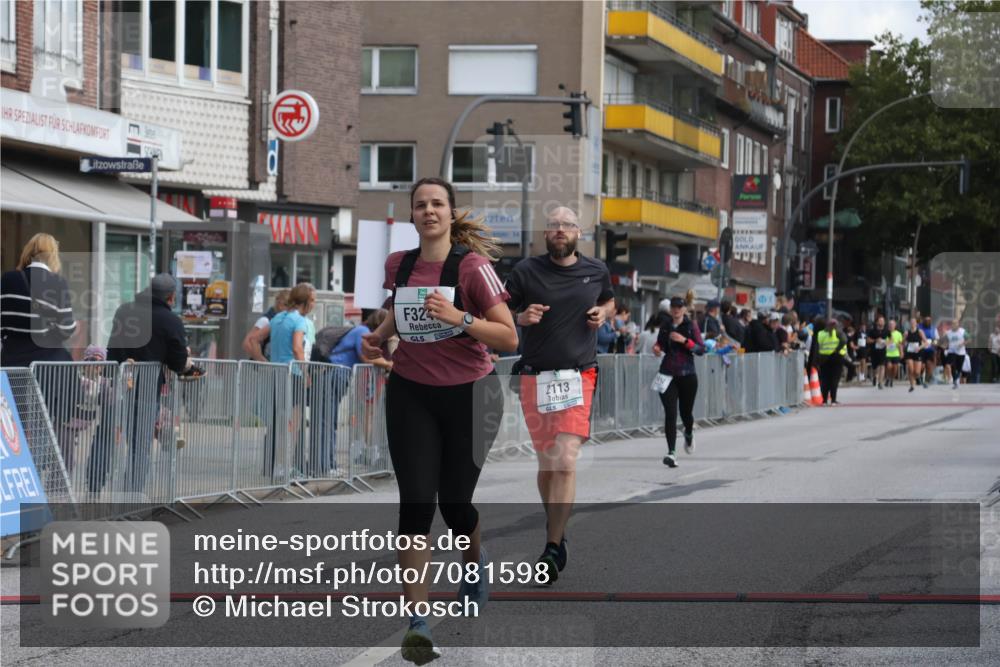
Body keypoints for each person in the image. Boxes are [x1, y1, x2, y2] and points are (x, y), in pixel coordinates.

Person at [361, 177, 517, 664]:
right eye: (420, 204)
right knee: (415, 504)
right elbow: (400, 312)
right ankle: (418, 622)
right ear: (412, 215)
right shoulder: (399, 264)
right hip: (411, 393)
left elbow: (508, 337)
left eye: (437, 204)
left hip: (472, 394)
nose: (429, 211)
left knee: (455, 506)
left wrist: (458, 317)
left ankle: (473, 561)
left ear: (451, 213)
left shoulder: (473, 268)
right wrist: (377, 335)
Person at [505, 206, 613, 585]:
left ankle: (551, 547)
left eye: (567, 225)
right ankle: (558, 528)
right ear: (546, 233)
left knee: (565, 460)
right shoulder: (525, 271)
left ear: (578, 232)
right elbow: (501, 309)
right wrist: (520, 318)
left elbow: (609, 299)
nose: (560, 230)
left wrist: (602, 312)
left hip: (578, 375)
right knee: (548, 464)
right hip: (535, 377)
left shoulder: (595, 270)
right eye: (553, 225)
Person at [106, 273, 196, 493]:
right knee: (140, 447)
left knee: (111, 441)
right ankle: (131, 497)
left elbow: (113, 348)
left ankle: (103, 492)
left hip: (118, 385)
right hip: (146, 390)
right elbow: (177, 362)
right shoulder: (170, 320)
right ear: (171, 297)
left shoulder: (124, 311)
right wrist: (186, 363)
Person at [325, 309, 392, 471]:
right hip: (337, 372)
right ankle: (329, 464)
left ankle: (331, 462)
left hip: (338, 372)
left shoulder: (361, 330)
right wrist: (389, 365)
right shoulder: (363, 332)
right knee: (330, 419)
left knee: (332, 418)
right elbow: (366, 357)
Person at [1, 233, 77, 366]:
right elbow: (67, 328)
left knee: (9, 387)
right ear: (53, 256)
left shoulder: (8, 279)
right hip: (44, 366)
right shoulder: (57, 283)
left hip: (10, 361)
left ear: (27, 252)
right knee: (69, 383)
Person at [268, 283, 316, 475]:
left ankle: (280, 466)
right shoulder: (300, 321)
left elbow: (255, 338)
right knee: (293, 425)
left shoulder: (278, 318)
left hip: (277, 374)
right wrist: (306, 373)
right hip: (293, 375)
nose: (313, 304)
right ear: (305, 301)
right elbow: (298, 347)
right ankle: (285, 467)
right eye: (312, 300)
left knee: (281, 422)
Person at [654, 295, 705, 468]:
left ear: (684, 309)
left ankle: (689, 433)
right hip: (667, 373)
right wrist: (657, 348)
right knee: (670, 413)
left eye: (679, 307)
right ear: (670, 310)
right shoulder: (666, 326)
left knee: (685, 413)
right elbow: (660, 344)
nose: (676, 310)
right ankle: (671, 453)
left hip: (687, 374)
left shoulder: (691, 326)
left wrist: (684, 341)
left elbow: (701, 349)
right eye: (673, 307)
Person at [241, 289, 290, 361]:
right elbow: (247, 343)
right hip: (261, 368)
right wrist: (262, 361)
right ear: (280, 304)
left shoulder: (283, 321)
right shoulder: (266, 320)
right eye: (287, 305)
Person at [813, 317, 847, 405]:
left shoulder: (820, 334)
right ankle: (833, 400)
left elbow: (816, 348)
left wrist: (816, 360)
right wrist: (837, 349)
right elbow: (844, 340)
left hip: (824, 358)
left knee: (825, 380)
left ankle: (824, 400)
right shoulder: (838, 332)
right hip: (836, 357)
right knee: (834, 379)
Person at [904, 317, 927, 392]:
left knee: (917, 372)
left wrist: (919, 348)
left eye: (914, 322)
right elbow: (903, 342)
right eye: (911, 322)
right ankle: (912, 385)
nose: (912, 324)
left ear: (916, 324)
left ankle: (919, 378)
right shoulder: (907, 332)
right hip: (909, 352)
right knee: (911, 369)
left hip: (917, 352)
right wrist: (905, 341)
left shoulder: (920, 331)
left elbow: (926, 342)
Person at [944, 319, 968, 389]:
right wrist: (945, 346)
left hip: (961, 352)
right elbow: (945, 341)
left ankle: (956, 380)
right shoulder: (948, 332)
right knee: (949, 364)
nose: (954, 325)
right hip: (951, 351)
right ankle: (951, 378)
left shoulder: (963, 331)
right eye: (952, 324)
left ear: (958, 324)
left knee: (959, 368)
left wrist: (962, 344)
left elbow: (969, 339)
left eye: (955, 324)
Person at [867, 315, 889, 389]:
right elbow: (868, 340)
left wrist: (887, 342)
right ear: (877, 322)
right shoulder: (872, 331)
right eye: (880, 321)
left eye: (883, 321)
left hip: (883, 351)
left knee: (882, 366)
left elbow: (891, 339)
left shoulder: (886, 330)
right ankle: (875, 377)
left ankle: (880, 383)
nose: (882, 322)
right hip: (874, 351)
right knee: (875, 367)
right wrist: (875, 340)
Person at [884, 318, 903, 388]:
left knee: (895, 368)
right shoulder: (885, 333)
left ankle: (891, 379)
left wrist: (901, 352)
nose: (891, 326)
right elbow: (884, 342)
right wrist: (886, 344)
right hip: (887, 353)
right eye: (890, 324)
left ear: (895, 325)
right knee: (889, 366)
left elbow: (900, 344)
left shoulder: (899, 334)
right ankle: (887, 378)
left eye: (892, 324)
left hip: (896, 353)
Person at [919, 316, 937, 386]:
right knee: (922, 366)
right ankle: (919, 377)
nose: (927, 322)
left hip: (930, 350)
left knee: (929, 365)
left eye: (929, 321)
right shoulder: (919, 327)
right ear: (923, 321)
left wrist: (934, 344)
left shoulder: (933, 329)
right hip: (921, 349)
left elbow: (936, 339)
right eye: (926, 320)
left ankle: (927, 380)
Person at [990, 319, 1000, 383]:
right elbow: (990, 342)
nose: (996, 330)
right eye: (995, 329)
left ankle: (998, 377)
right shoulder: (992, 335)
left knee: (999, 365)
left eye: (998, 329)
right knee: (994, 365)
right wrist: (989, 348)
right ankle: (994, 377)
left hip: (999, 352)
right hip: (993, 351)